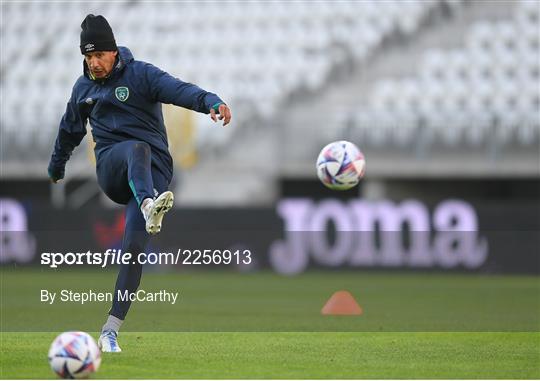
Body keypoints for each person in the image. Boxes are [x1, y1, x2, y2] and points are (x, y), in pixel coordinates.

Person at [47, 14, 232, 352]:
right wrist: (57, 165)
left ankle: (109, 330)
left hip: (155, 171)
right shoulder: (83, 88)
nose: (94, 63)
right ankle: (149, 205)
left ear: (113, 51)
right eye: (87, 57)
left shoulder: (141, 74)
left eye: (99, 55)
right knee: (136, 148)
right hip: (114, 171)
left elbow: (180, 90)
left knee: (133, 250)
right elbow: (69, 130)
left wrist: (211, 102)